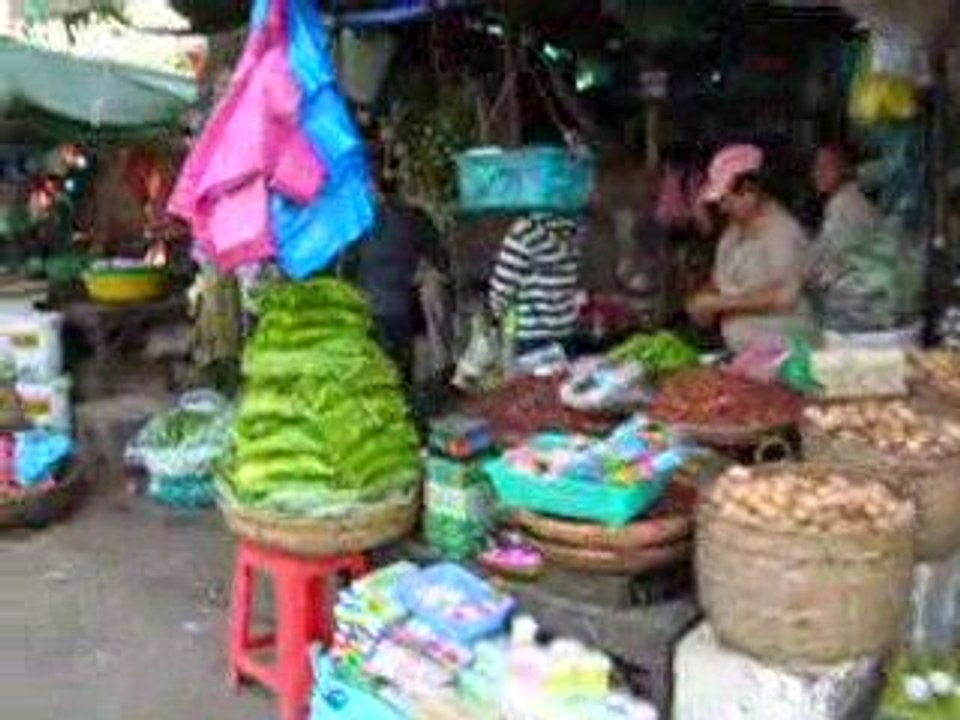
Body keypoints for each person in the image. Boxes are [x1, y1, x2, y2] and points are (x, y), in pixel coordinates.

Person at [687, 144, 816, 352]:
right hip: (744, 352)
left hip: (785, 353)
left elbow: (785, 295)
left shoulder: (783, 232)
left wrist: (719, 304)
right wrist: (703, 301)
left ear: (749, 192)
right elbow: (719, 281)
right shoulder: (732, 232)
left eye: (726, 199)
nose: (722, 208)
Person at [352, 165, 446, 383]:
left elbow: (348, 265)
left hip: (366, 308)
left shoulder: (358, 223)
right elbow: (437, 255)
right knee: (401, 371)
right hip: (400, 307)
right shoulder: (413, 218)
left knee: (373, 373)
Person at [808, 142, 905, 338]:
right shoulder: (841, 203)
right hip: (858, 303)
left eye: (827, 166)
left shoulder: (848, 206)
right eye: (816, 166)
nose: (818, 172)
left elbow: (834, 263)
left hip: (860, 306)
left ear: (845, 169)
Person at [488, 212, 583, 356]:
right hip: (566, 331)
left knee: (531, 378)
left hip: (532, 336)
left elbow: (502, 287)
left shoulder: (524, 231)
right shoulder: (572, 228)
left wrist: (493, 318)